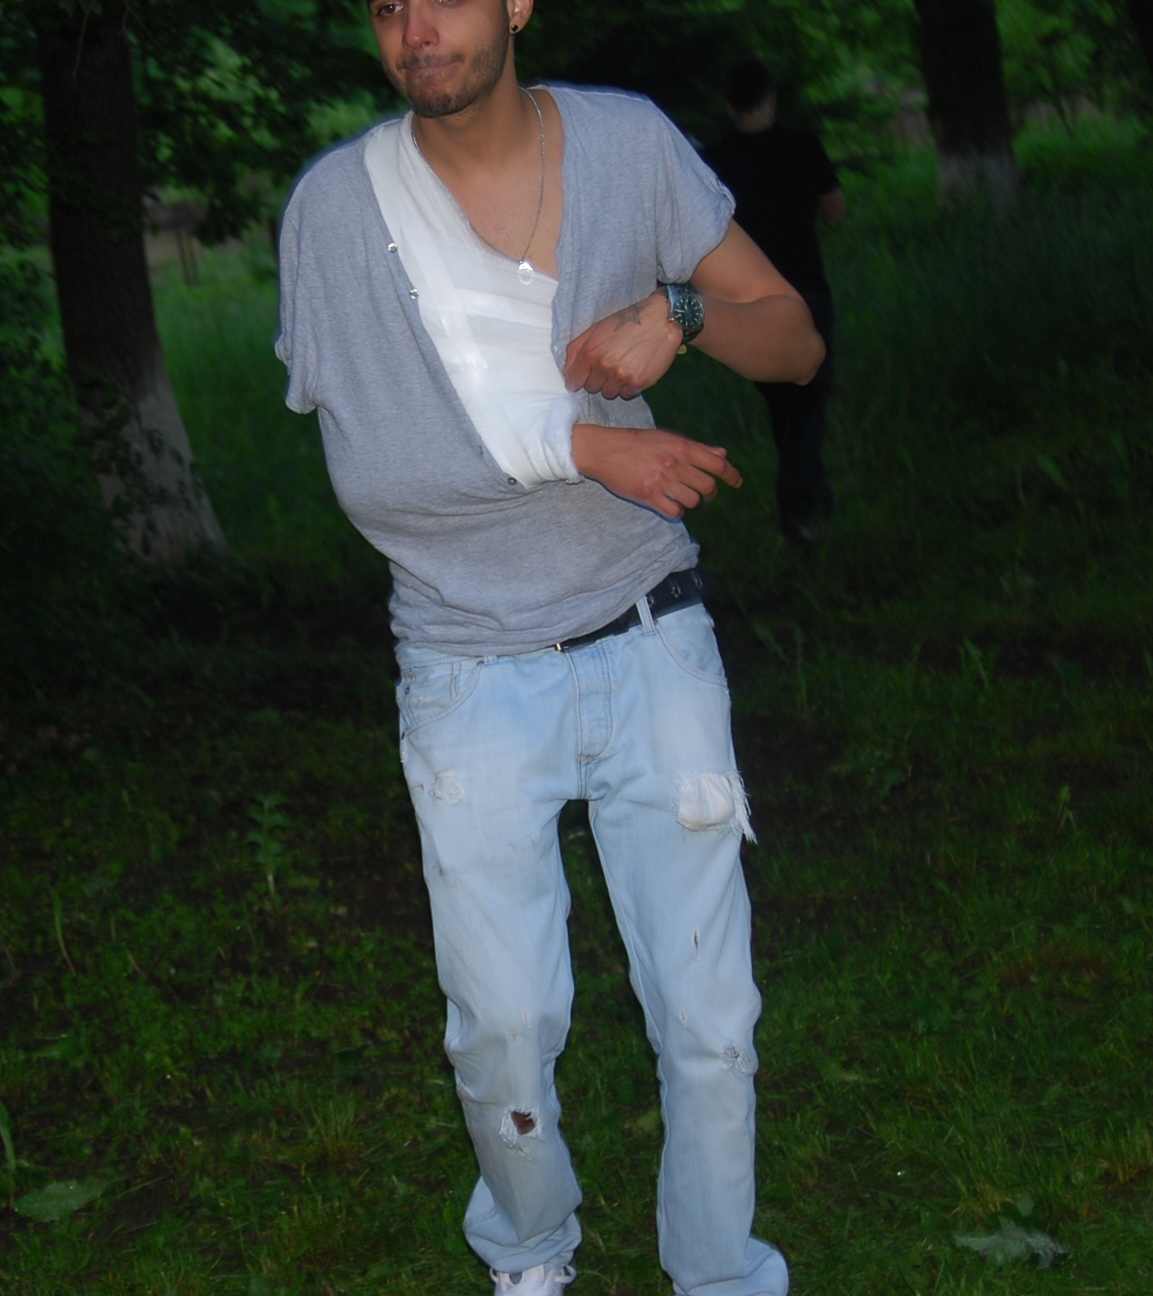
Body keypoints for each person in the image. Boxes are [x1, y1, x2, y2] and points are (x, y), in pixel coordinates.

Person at [273, 0, 825, 1292]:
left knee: (709, 1018)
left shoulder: (629, 147)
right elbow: (376, 479)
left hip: (649, 634)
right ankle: (528, 1250)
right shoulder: (340, 209)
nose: (416, 28)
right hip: (467, 667)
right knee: (504, 1027)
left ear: (517, 1)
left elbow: (794, 343)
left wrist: (679, 311)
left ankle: (719, 1270)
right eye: (388, 5)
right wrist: (580, 445)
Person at [702, 59, 846, 543]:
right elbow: (836, 211)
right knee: (809, 401)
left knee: (784, 404)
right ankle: (797, 510)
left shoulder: (716, 161)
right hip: (805, 292)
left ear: (729, 106)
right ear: (771, 99)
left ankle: (815, 492)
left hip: (746, 302)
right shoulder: (803, 145)